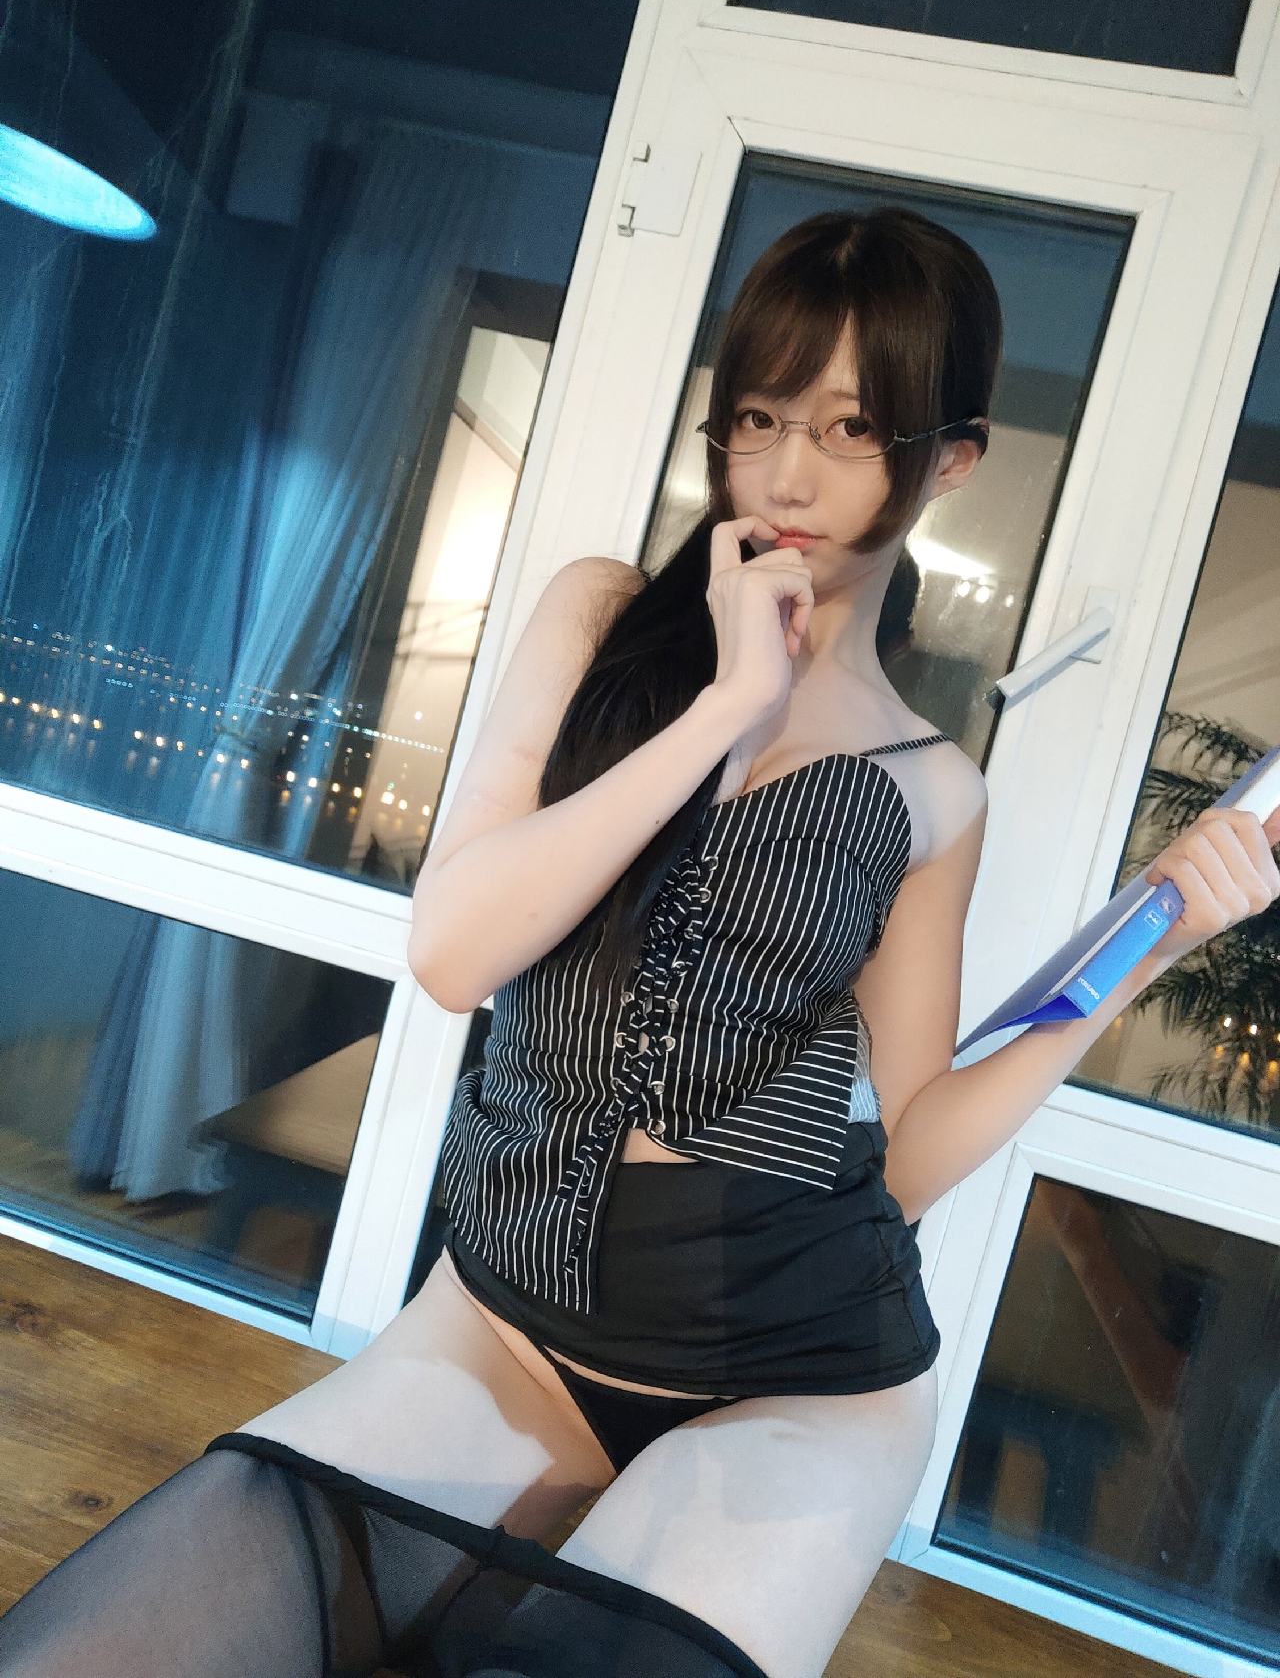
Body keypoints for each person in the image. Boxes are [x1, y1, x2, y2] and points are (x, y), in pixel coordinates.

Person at [3, 208, 1277, 1678]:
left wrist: (1151, 946)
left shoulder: (936, 789)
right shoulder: (600, 618)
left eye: (851, 429)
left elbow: (910, 1149)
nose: (786, 474)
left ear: (951, 460)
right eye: (760, 417)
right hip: (506, 1317)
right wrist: (727, 708)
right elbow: (454, 953)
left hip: (795, 1375)